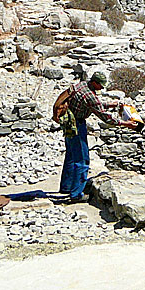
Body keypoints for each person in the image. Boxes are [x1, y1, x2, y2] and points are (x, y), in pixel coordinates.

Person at [59, 71, 140, 202]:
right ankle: (76, 195)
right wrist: (125, 123)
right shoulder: (89, 95)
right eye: (100, 86)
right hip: (77, 126)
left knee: (71, 156)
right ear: (95, 82)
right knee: (82, 160)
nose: (102, 88)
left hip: (68, 122)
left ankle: (66, 187)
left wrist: (109, 104)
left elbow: (92, 105)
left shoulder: (82, 86)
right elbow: (105, 117)